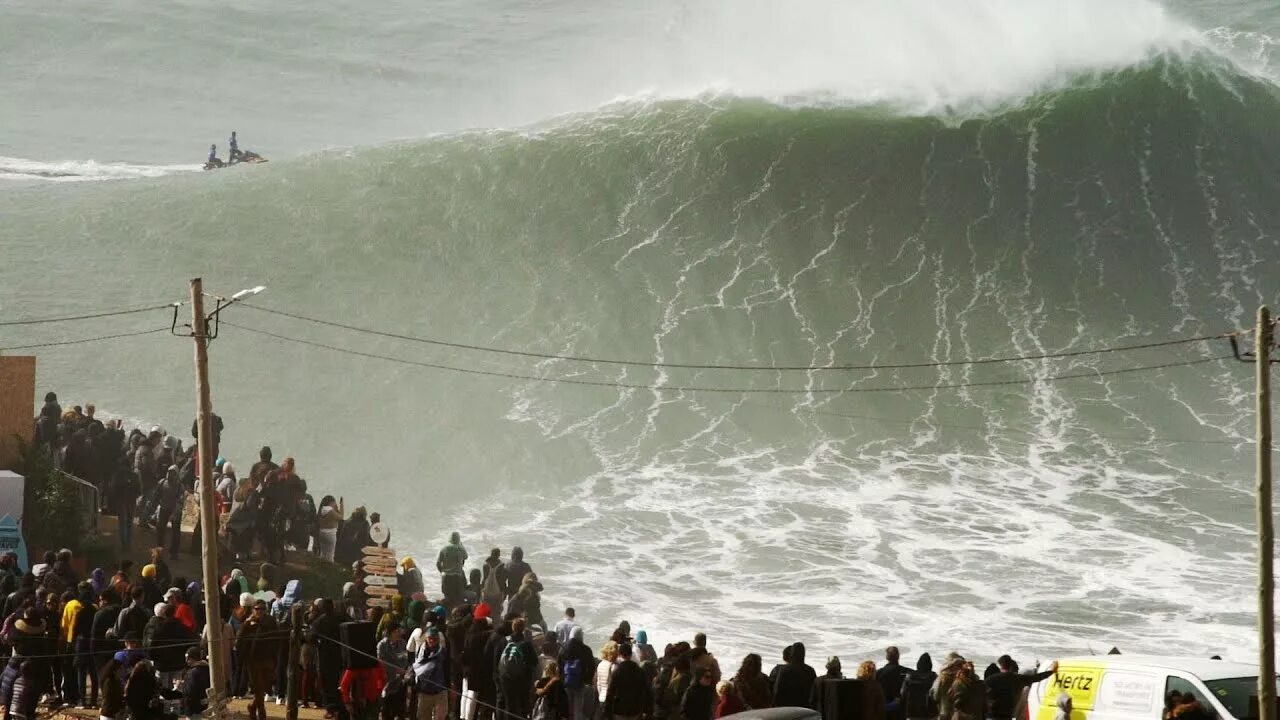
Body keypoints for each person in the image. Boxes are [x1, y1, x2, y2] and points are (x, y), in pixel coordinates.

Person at [237, 599, 281, 720]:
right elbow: (239, 640)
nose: (260, 611)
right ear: (253, 610)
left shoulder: (271, 621)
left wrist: (275, 656)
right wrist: (246, 624)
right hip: (253, 660)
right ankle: (262, 715)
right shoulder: (248, 623)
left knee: (264, 687)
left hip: (268, 659)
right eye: (257, 609)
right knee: (258, 688)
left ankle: (252, 706)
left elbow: (277, 639)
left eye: (262, 609)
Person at [986, 658, 1057, 720]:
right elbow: (1036, 678)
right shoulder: (1017, 678)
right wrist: (1052, 671)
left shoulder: (991, 679)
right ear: (1011, 666)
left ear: (1000, 666)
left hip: (992, 714)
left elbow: (980, 692)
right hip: (1007, 715)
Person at [605, 644, 651, 720]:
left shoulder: (617, 671)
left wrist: (607, 713)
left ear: (619, 654)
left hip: (619, 710)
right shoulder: (639, 671)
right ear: (631, 654)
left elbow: (610, 692)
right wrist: (646, 710)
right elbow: (645, 690)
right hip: (635, 710)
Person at [413, 627, 449, 720]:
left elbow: (447, 669)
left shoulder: (443, 651)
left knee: (440, 717)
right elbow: (417, 668)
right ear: (426, 638)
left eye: (434, 638)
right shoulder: (421, 652)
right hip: (424, 691)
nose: (432, 641)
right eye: (430, 638)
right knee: (423, 717)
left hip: (440, 690)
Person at [378, 625, 410, 720]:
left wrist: (402, 670)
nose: (399, 633)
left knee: (400, 707)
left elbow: (404, 658)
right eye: (396, 631)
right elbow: (381, 663)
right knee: (387, 709)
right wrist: (395, 669)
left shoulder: (402, 643)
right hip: (386, 681)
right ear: (390, 633)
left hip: (400, 680)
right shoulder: (382, 645)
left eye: (399, 631)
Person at [772, 642, 815, 708]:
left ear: (792, 653)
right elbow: (813, 693)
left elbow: (777, 692)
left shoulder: (784, 670)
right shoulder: (810, 670)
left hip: (787, 707)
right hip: (804, 707)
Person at [900, 653, 937, 720]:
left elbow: (903, 693)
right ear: (930, 664)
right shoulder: (933, 676)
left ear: (918, 664)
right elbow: (936, 695)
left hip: (912, 712)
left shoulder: (910, 676)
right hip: (929, 713)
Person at [436, 532, 468, 602]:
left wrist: (442, 572)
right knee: (458, 598)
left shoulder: (444, 548)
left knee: (447, 597)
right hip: (457, 577)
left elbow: (438, 563)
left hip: (446, 577)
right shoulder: (461, 548)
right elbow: (465, 557)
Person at [877, 647, 906, 720]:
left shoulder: (879, 672)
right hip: (901, 708)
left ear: (887, 657)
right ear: (898, 656)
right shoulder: (907, 672)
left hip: (883, 706)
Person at [181, 647, 210, 720]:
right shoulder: (207, 669)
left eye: (188, 658)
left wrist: (181, 686)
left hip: (193, 707)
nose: (186, 661)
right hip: (203, 706)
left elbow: (190, 691)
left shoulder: (192, 673)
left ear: (193, 658)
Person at [315, 496, 341, 561]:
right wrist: (342, 505)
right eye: (334, 502)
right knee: (330, 555)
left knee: (323, 553)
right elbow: (341, 517)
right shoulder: (330, 510)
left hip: (322, 532)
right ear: (331, 502)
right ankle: (328, 568)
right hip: (330, 533)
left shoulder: (322, 509)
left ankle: (321, 567)